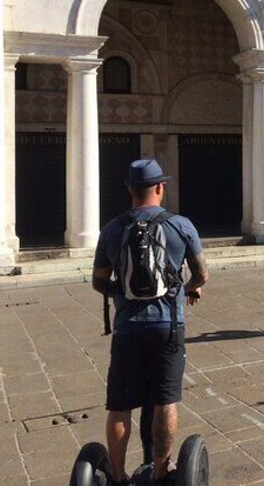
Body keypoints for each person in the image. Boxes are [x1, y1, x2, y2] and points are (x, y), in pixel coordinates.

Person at [92, 159, 209, 486]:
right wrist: (189, 288)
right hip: (168, 326)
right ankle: (160, 471)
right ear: (160, 187)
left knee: (119, 406)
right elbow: (201, 274)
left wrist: (122, 293)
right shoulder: (181, 225)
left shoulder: (113, 229)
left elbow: (99, 281)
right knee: (164, 400)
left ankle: (117, 476)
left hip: (127, 327)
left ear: (130, 189)